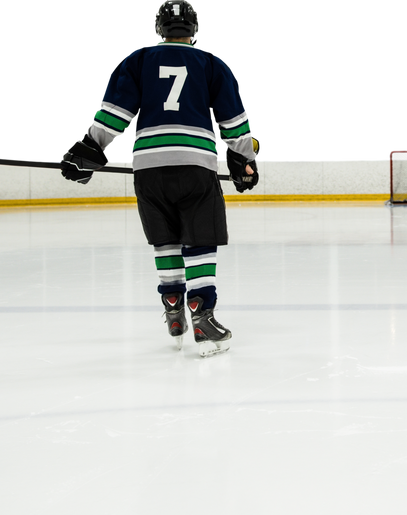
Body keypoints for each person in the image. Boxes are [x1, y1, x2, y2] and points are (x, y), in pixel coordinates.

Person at [58, 0, 258, 357]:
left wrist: (89, 149)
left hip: (148, 166)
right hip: (196, 162)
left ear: (158, 28)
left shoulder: (136, 59)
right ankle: (202, 314)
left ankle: (172, 308)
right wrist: (244, 160)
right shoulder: (213, 63)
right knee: (199, 237)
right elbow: (234, 120)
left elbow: (114, 114)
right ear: (194, 28)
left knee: (164, 237)